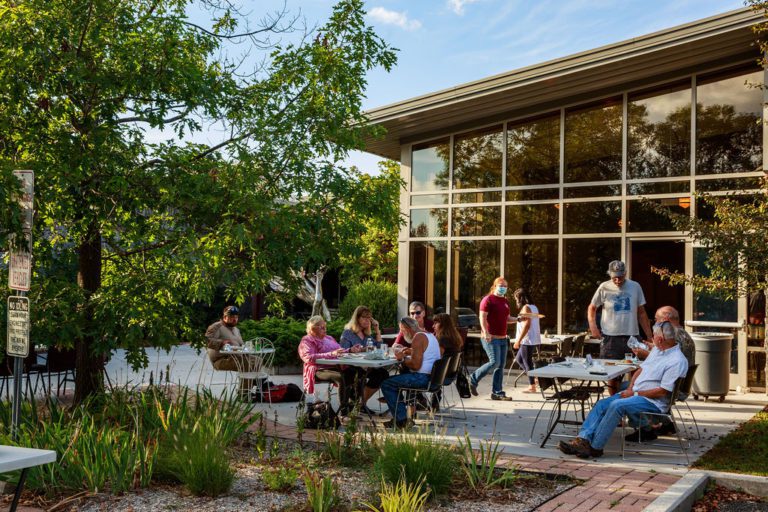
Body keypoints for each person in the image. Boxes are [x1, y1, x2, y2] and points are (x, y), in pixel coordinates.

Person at [558, 321, 688, 459]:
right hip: (636, 393)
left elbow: (663, 392)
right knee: (602, 404)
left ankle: (595, 447)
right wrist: (632, 386)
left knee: (616, 406)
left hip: (653, 401)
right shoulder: (658, 350)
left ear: (660, 339)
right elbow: (641, 369)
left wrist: (635, 393)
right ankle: (582, 441)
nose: (652, 339)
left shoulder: (677, 360)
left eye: (654, 336)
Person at [624, 305, 696, 440]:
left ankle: (646, 428)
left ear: (666, 319)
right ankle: (665, 423)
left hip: (672, 388)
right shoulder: (682, 334)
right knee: (633, 387)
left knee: (627, 389)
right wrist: (653, 347)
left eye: (657, 320)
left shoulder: (677, 337)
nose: (656, 322)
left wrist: (646, 354)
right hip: (679, 384)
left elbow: (667, 361)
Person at [587, 260, 653, 394]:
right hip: (611, 338)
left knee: (640, 370)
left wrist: (650, 336)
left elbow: (641, 312)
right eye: (614, 277)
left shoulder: (635, 286)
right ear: (609, 275)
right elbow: (592, 307)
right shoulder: (604, 287)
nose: (617, 280)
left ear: (625, 273)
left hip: (632, 336)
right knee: (612, 375)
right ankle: (613, 403)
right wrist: (593, 327)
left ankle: (632, 401)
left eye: (620, 277)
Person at [380, 316, 442, 429]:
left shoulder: (418, 338)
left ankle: (402, 420)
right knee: (397, 379)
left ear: (407, 328)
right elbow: (424, 353)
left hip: (422, 378)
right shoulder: (429, 335)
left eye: (402, 331)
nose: (402, 334)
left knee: (387, 384)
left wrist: (402, 359)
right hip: (432, 378)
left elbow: (415, 366)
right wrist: (410, 351)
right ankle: (401, 417)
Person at [298, 315, 365, 416]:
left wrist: (350, 350)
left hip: (336, 367)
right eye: (322, 327)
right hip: (318, 370)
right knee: (341, 377)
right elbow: (308, 357)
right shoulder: (307, 340)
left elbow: (339, 351)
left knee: (360, 373)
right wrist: (331, 354)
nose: (325, 329)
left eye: (325, 326)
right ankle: (344, 411)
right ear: (312, 329)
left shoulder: (329, 338)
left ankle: (352, 403)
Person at [469, 276, 517, 401]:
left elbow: (507, 319)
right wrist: (485, 332)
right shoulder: (488, 299)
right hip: (490, 337)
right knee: (494, 362)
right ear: (494, 286)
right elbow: (482, 317)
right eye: (501, 285)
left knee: (500, 365)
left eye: (505, 286)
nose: (503, 288)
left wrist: (518, 319)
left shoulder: (505, 301)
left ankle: (497, 392)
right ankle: (473, 379)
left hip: (502, 338)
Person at [339, 306, 390, 415]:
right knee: (360, 375)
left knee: (382, 374)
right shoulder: (348, 333)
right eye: (364, 318)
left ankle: (361, 404)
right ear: (357, 318)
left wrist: (377, 330)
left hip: (366, 366)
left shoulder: (367, 335)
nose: (368, 321)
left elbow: (380, 348)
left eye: (369, 318)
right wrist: (355, 350)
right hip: (351, 367)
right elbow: (342, 352)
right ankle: (353, 404)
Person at [205, 306, 252, 393]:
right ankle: (244, 393)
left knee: (257, 360)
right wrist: (221, 342)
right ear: (225, 317)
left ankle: (258, 388)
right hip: (221, 360)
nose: (234, 319)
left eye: (236, 317)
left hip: (237, 357)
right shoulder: (216, 326)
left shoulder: (236, 329)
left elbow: (241, 345)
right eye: (231, 317)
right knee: (246, 363)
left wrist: (247, 350)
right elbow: (207, 340)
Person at [511, 288, 541, 393]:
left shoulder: (526, 308)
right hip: (532, 339)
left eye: (516, 299)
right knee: (519, 359)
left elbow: (527, 325)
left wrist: (518, 340)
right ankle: (535, 379)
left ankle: (532, 386)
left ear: (520, 298)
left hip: (526, 339)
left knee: (527, 361)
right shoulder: (534, 307)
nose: (516, 301)